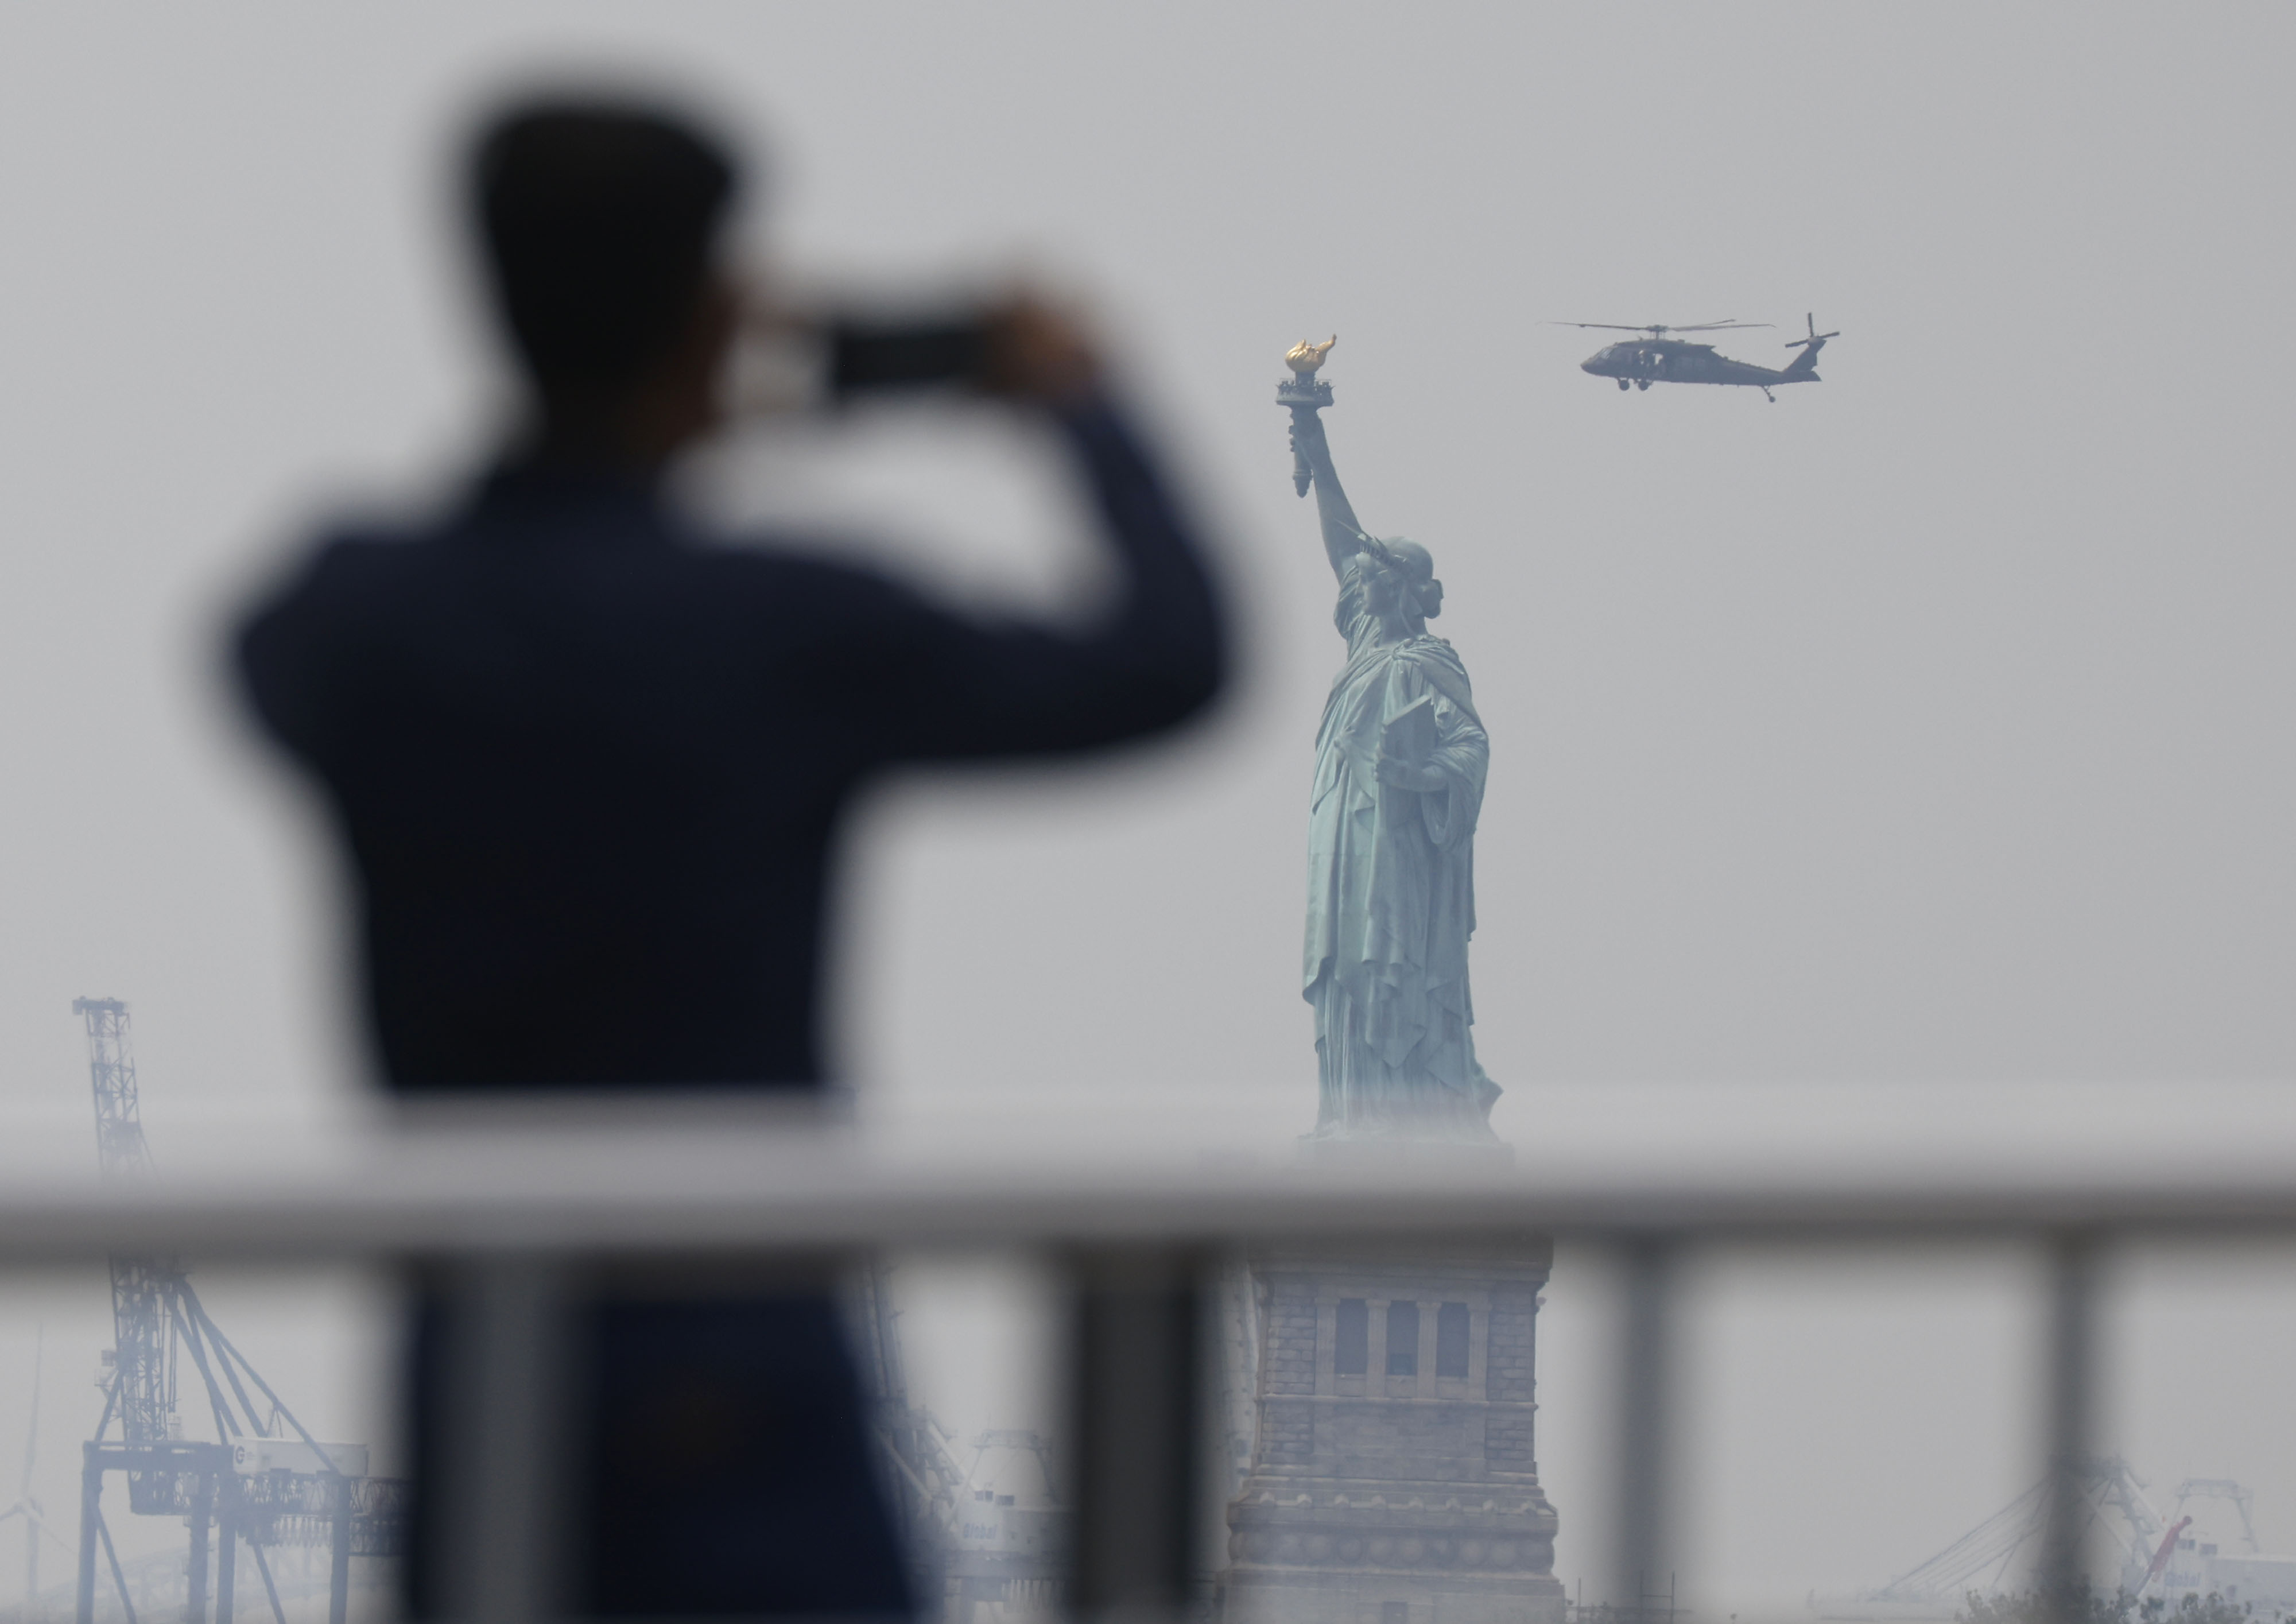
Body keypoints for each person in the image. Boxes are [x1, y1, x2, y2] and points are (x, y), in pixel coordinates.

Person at [233, 99, 1225, 1616]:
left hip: (477, 1356)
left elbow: (287, 643)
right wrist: (1077, 404)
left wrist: (622, 412)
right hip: (740, 1365)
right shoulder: (788, 631)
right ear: (712, 315)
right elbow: (1167, 658)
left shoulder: (354, 624)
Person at [1282, 365, 1499, 1146]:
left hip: (1401, 843)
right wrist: (1318, 444)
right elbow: (1343, 538)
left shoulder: (1430, 661)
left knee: (1390, 967)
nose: (1361, 576)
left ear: (1406, 588)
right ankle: (1349, 1113)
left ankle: (1409, 1116)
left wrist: (1417, 775)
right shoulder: (1368, 641)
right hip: (1342, 830)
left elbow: (1471, 748)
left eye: (1377, 573)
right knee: (1345, 967)